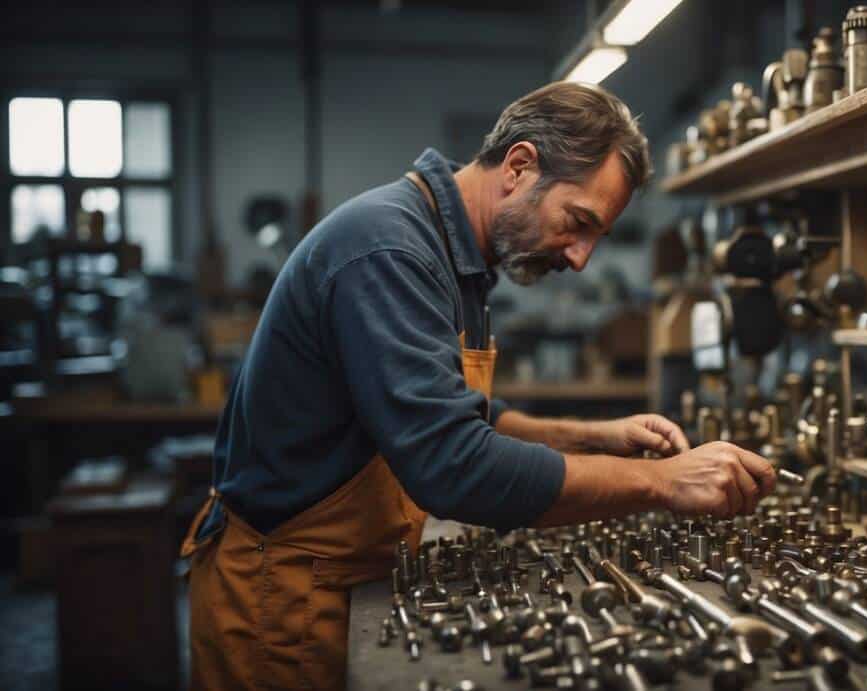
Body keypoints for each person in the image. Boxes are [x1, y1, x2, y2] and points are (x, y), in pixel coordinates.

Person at [181, 81, 775, 690]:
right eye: (578, 223)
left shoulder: (451, 253)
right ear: (519, 167)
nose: (581, 259)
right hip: (286, 597)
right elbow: (452, 464)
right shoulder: (388, 250)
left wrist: (590, 436)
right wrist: (663, 482)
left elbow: (457, 417)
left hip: (335, 571)